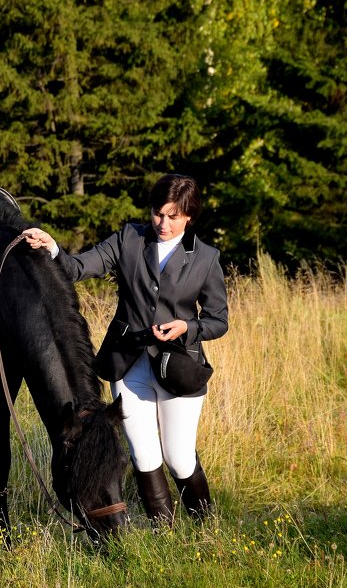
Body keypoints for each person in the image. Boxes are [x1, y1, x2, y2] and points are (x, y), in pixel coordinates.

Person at [23, 174, 228, 526]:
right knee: (144, 456)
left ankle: (205, 529)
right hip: (127, 364)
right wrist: (53, 248)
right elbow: (77, 267)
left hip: (179, 369)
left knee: (178, 458)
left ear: (189, 216)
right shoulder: (128, 238)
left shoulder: (207, 258)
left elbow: (218, 320)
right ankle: (164, 534)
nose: (163, 223)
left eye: (173, 217)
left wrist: (187, 327)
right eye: (158, 214)